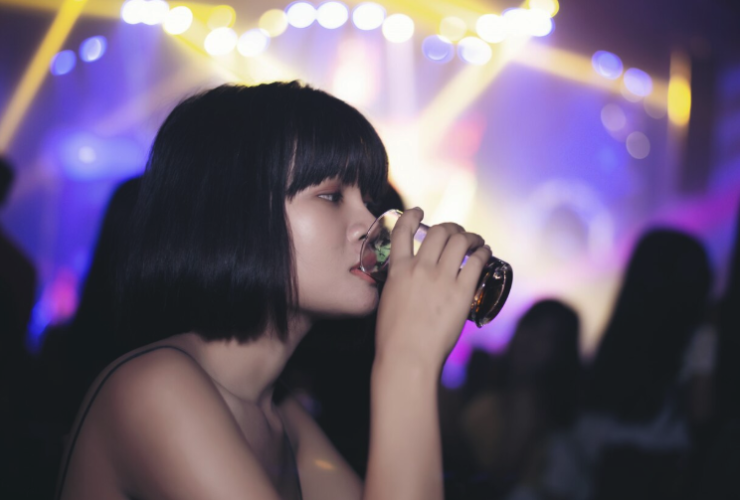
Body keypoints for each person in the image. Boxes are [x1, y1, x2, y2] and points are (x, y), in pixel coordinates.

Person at [55, 81, 492, 500]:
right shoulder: (155, 389)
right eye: (331, 196)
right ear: (238, 213)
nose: (368, 224)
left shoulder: (280, 416)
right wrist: (408, 360)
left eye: (369, 201)